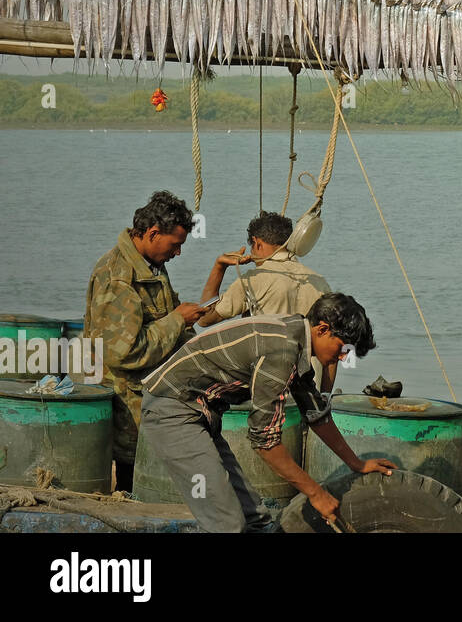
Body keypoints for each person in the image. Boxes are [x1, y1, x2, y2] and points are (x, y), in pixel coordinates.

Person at [139, 293, 395, 532]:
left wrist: (356, 464)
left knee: (256, 519)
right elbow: (265, 441)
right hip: (171, 409)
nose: (342, 358)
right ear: (323, 329)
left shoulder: (297, 336)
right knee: (226, 522)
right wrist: (316, 494)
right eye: (342, 348)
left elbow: (315, 413)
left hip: (203, 410)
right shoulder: (281, 350)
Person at [85, 191, 208, 493]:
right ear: (153, 233)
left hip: (150, 406)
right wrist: (178, 320)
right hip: (128, 413)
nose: (178, 253)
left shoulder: (151, 265)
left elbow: (168, 319)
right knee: (133, 490)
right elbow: (123, 352)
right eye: (176, 244)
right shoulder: (119, 277)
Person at [197, 211, 334, 387]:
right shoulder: (319, 282)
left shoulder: (253, 279)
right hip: (309, 384)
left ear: (257, 243)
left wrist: (219, 266)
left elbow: (204, 319)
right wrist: (324, 396)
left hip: (268, 382)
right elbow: (333, 348)